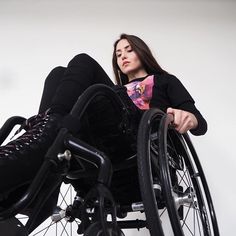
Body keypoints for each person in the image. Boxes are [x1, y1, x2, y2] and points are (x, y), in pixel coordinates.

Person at [0, 33, 207, 208]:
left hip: (136, 140)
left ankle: (40, 144)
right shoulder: (114, 90)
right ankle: (42, 151)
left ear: (142, 52)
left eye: (129, 50)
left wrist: (188, 117)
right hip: (97, 141)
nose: (122, 56)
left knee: (83, 61)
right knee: (58, 74)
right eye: (118, 54)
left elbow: (200, 124)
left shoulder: (164, 80)